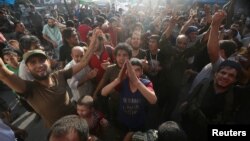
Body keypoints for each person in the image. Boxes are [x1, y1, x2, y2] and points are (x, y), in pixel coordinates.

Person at [0, 29, 99, 127]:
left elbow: (83, 62)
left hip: (77, 121)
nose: (39, 65)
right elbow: (4, 75)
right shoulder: (29, 89)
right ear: (27, 69)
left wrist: (93, 41)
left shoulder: (59, 75)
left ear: (49, 62)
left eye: (42, 60)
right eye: (33, 62)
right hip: (61, 133)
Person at [180, 60, 242, 141]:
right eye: (223, 73)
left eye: (231, 75)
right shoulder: (204, 84)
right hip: (188, 129)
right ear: (216, 73)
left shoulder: (235, 96)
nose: (225, 77)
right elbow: (189, 101)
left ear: (235, 80)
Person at [101, 58, 157, 134]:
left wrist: (137, 82)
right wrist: (118, 80)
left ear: (141, 71)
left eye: (137, 70)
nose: (133, 73)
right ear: (126, 72)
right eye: (131, 70)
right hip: (123, 121)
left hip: (140, 122)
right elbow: (103, 92)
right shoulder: (123, 83)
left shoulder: (146, 83)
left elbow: (153, 100)